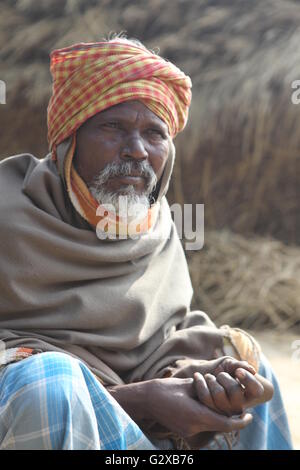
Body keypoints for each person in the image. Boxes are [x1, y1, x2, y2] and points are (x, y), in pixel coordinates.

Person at [0, 35, 293, 450]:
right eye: (113, 127)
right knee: (49, 384)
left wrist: (198, 382)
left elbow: (166, 342)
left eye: (154, 133)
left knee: (251, 369)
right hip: (38, 421)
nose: (136, 151)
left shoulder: (156, 231)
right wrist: (141, 401)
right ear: (68, 141)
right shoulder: (7, 211)